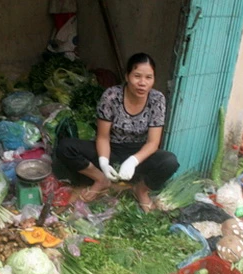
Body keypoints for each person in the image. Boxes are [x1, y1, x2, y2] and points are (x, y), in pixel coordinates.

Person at [55, 53, 179, 212]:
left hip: (139, 154)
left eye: (149, 77)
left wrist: (133, 161)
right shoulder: (112, 96)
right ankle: (101, 180)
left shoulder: (157, 99)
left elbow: (153, 142)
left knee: (170, 161)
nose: (142, 83)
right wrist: (104, 163)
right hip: (111, 149)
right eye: (137, 76)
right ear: (127, 76)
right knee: (65, 147)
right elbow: (103, 137)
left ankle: (140, 190)